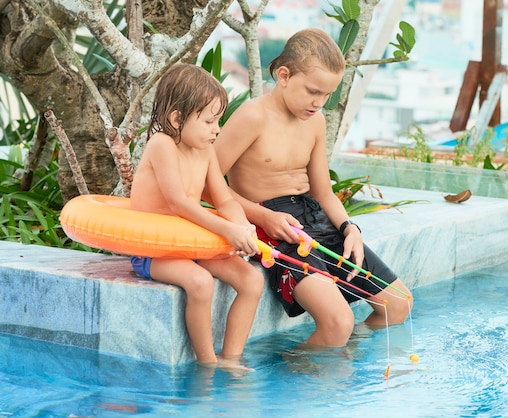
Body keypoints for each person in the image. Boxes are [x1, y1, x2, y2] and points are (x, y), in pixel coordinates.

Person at [213, 28, 412, 348]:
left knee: (398, 305)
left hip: (314, 217)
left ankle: (325, 355)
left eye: (327, 95)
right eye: (312, 92)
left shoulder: (315, 122)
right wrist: (262, 218)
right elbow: (208, 185)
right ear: (284, 75)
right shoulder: (252, 117)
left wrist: (350, 228)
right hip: (276, 227)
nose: (319, 103)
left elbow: (323, 192)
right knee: (338, 322)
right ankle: (300, 370)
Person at [130, 63, 263, 368]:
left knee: (251, 281)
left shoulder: (205, 151)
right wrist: (225, 230)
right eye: (209, 122)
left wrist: (242, 226)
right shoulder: (162, 144)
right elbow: (177, 202)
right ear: (177, 118)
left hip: (191, 246)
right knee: (201, 283)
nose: (217, 130)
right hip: (153, 249)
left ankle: (231, 358)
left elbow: (225, 199)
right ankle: (208, 363)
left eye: (218, 121)